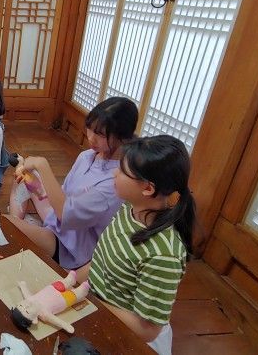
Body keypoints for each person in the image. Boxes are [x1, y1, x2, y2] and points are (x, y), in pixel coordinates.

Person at [3, 97, 138, 281]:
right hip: (58, 219)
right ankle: (22, 225)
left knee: (5, 223)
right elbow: (64, 195)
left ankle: (20, 227)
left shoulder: (115, 181)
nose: (90, 138)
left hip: (72, 246)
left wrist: (43, 166)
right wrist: (39, 189)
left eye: (99, 134)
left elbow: (67, 215)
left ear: (121, 137)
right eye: (90, 130)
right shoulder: (87, 156)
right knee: (25, 178)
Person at [87, 135, 195, 355]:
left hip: (131, 339)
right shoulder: (130, 208)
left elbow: (147, 330)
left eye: (122, 171)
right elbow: (99, 261)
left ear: (147, 188)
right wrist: (69, 280)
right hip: (98, 309)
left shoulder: (163, 256)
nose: (114, 173)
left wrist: (88, 302)